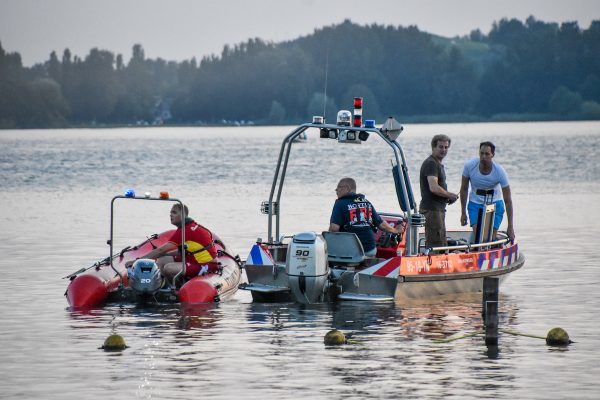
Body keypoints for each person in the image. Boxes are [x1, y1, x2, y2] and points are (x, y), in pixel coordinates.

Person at [125, 203, 217, 284]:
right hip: (193, 260)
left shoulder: (186, 230)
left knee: (169, 268)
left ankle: (175, 288)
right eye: (170, 213)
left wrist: (136, 261)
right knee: (162, 260)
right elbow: (181, 251)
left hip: (206, 264)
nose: (170, 215)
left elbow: (160, 250)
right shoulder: (186, 227)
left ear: (183, 215)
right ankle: (160, 285)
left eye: (174, 212)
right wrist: (164, 254)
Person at [329, 177, 401, 257]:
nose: (336, 190)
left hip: (350, 252)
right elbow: (382, 225)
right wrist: (396, 230)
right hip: (370, 250)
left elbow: (334, 228)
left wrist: (327, 241)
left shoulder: (340, 203)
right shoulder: (367, 203)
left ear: (347, 188)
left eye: (339, 187)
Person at [460, 141, 514, 241]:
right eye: (481, 153)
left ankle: (496, 241)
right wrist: (463, 212)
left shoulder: (500, 171)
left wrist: (510, 226)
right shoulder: (469, 166)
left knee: (488, 238)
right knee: (479, 237)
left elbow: (508, 200)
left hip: (495, 204)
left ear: (492, 155)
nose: (483, 156)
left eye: (487, 154)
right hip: (475, 204)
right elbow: (464, 189)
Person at [419, 134, 459, 248]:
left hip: (438, 209)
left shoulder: (438, 163)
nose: (444, 150)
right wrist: (449, 194)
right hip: (432, 210)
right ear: (433, 147)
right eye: (440, 147)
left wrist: (446, 198)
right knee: (436, 245)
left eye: (446, 147)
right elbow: (433, 187)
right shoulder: (431, 163)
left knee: (441, 242)